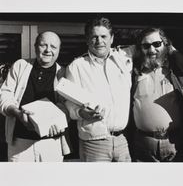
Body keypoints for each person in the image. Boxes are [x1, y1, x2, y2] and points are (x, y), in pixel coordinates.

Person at [65, 17, 132, 162]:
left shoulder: (123, 61)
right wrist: (81, 113)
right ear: (87, 40)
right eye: (94, 37)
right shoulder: (77, 66)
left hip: (122, 141)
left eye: (103, 36)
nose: (99, 41)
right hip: (94, 144)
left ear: (112, 39)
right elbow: (69, 105)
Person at [0, 31, 71, 162]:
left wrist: (58, 121)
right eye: (43, 45)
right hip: (19, 143)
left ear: (59, 50)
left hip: (52, 143)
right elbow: (4, 95)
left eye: (53, 47)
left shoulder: (64, 73)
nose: (48, 50)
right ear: (35, 46)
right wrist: (17, 113)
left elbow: (68, 106)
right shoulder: (20, 66)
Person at [131, 27, 183, 162]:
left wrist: (171, 50)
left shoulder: (175, 69)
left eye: (157, 44)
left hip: (174, 141)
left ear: (165, 44)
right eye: (146, 46)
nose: (152, 50)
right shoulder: (134, 72)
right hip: (143, 143)